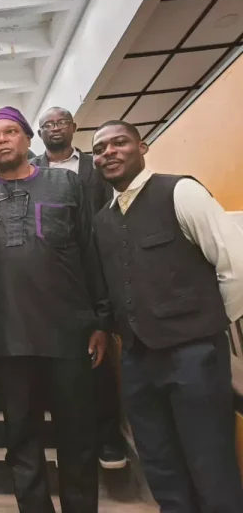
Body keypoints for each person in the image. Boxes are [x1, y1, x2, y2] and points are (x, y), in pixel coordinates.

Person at [91, 120, 243, 513]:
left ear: (142, 147)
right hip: (139, 360)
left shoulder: (180, 191)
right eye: (100, 148)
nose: (108, 152)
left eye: (118, 143)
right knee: (160, 463)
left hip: (195, 355)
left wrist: (209, 325)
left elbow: (234, 265)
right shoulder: (103, 219)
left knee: (210, 461)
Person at [0, 106, 110, 513]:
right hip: (8, 337)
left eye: (10, 132)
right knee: (22, 441)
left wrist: (100, 320)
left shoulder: (66, 184)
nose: (1, 141)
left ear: (29, 139)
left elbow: (91, 252)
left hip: (70, 334)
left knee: (78, 440)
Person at [32, 106, 126, 470]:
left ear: (73, 128)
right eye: (47, 124)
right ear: (39, 134)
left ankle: (108, 437)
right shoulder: (33, 169)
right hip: (48, 275)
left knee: (97, 359)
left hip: (94, 264)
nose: (54, 128)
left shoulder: (95, 167)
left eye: (60, 122)